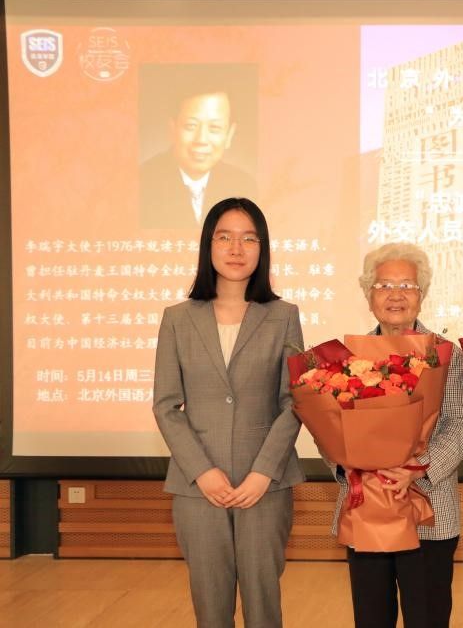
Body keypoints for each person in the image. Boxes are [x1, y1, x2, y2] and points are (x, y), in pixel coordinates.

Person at [153, 197, 303, 628]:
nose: (236, 249)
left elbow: (294, 401)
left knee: (263, 605)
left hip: (264, 487)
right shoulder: (177, 319)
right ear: (209, 245)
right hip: (198, 488)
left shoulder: (283, 316)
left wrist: (262, 473)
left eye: (248, 238)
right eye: (225, 237)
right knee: (210, 608)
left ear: (262, 248)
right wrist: (202, 472)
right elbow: (166, 405)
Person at [326, 242, 463, 628]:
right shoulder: (347, 358)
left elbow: (459, 425)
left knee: (428, 619)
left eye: (407, 286)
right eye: (384, 286)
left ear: (421, 295)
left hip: (429, 512)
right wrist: (351, 466)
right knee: (371, 619)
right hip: (365, 508)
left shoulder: (445, 354)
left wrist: (416, 469)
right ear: (368, 295)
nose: (396, 295)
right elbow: (329, 428)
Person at [140, 88, 256, 229]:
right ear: (172, 129)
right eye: (191, 126)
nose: (201, 140)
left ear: (229, 135)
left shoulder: (245, 185)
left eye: (214, 127)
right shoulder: (142, 181)